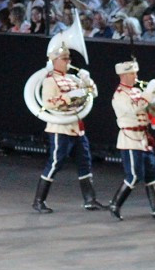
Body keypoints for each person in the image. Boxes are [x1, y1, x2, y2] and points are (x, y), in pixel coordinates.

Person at [30, 37, 106, 213]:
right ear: (54, 61)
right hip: (60, 128)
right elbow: (48, 103)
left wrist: (87, 81)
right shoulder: (50, 80)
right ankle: (38, 200)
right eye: (64, 59)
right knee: (56, 163)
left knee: (85, 162)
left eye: (69, 58)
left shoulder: (73, 78)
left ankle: (90, 199)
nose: (68, 62)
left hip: (76, 127)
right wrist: (68, 97)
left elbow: (93, 93)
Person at [107, 60, 155, 220]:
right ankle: (115, 204)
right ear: (124, 75)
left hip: (143, 138)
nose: (136, 76)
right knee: (134, 175)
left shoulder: (136, 91)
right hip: (130, 139)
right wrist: (148, 93)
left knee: (152, 173)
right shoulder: (119, 95)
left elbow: (150, 111)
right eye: (132, 73)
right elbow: (135, 108)